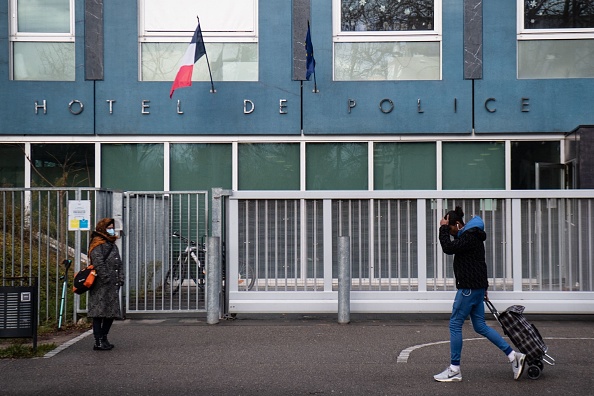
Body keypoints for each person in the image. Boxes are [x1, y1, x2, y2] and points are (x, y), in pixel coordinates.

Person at [434, 206, 526, 382]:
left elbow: (447, 248)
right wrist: (484, 287)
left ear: (458, 225)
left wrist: (442, 228)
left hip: (468, 289)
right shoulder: (473, 235)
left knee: (455, 324)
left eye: (451, 228)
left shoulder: (469, 237)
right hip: (476, 288)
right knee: (480, 326)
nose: (451, 232)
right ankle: (513, 356)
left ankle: (454, 369)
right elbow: (480, 263)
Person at [87, 218, 124, 351]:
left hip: (112, 284)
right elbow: (98, 263)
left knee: (111, 313)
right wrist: (106, 278)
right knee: (99, 313)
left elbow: (118, 263)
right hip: (100, 284)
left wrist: (120, 277)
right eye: (109, 227)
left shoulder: (112, 244)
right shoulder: (97, 244)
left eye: (112, 227)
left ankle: (104, 337)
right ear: (103, 228)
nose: (112, 229)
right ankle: (98, 340)